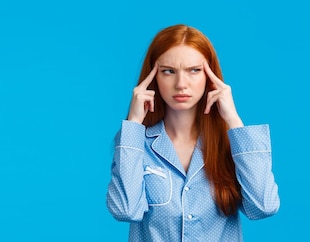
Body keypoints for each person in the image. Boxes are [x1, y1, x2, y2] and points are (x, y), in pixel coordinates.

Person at [106, 24, 280, 242]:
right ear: (152, 78)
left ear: (210, 76)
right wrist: (133, 122)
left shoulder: (231, 144)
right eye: (168, 71)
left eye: (194, 70)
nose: (181, 84)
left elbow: (263, 206)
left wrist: (234, 121)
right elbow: (125, 210)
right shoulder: (134, 145)